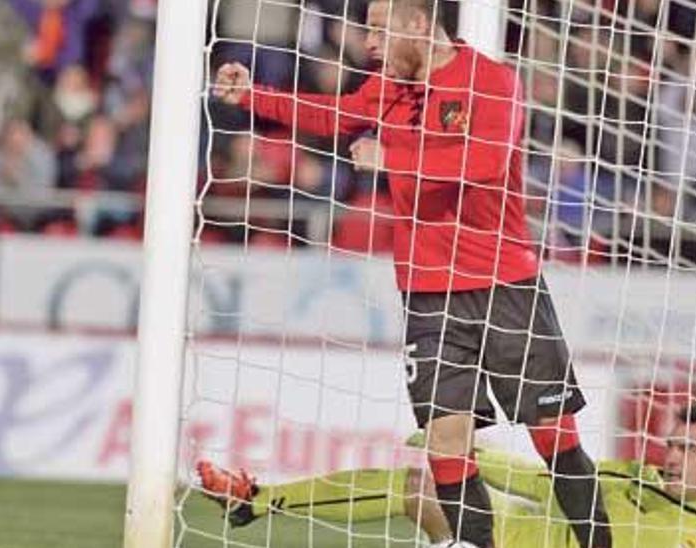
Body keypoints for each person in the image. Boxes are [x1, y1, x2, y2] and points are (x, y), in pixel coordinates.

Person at [211, 1, 610, 546]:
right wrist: (253, 95)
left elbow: (485, 163)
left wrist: (394, 160)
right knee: (446, 444)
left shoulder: (491, 82)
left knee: (552, 437)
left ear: (419, 25)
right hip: (427, 292)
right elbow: (335, 113)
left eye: (378, 30)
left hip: (503, 284)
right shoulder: (389, 86)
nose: (367, 43)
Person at [196, 403, 696, 548]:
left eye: (689, 449)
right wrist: (463, 451)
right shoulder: (641, 476)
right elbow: (545, 483)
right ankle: (257, 499)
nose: (673, 457)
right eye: (673, 445)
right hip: (509, 537)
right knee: (416, 485)